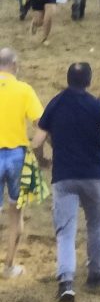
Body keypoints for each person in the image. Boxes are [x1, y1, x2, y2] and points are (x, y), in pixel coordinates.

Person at [33, 63, 100, 302]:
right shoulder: (99, 107)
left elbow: (37, 140)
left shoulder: (55, 103)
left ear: (67, 79)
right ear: (89, 81)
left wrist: (42, 158)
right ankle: (96, 274)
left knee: (65, 231)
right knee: (95, 225)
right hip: (94, 175)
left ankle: (66, 282)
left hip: (64, 176)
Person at [0, 48, 43, 279]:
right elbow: (40, 122)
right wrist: (42, 154)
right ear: (14, 64)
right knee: (16, 212)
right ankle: (9, 266)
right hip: (17, 155)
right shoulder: (24, 90)